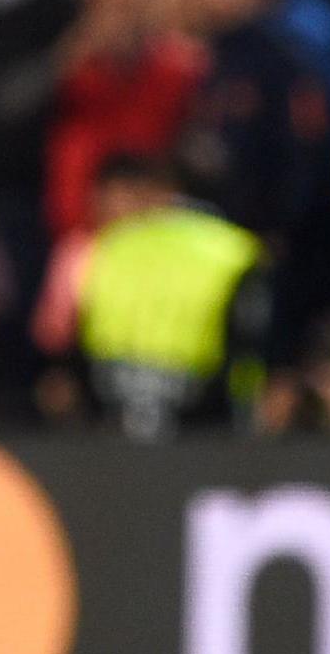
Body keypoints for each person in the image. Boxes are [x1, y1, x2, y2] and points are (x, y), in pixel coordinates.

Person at [31, 153, 268, 441]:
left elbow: (53, 336)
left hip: (121, 414)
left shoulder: (91, 250)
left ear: (161, 193)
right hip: (205, 420)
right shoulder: (232, 248)